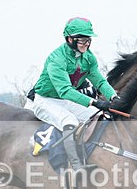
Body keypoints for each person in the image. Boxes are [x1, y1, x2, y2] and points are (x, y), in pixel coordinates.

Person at [29, 17, 119, 173]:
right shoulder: (56, 59)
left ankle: (95, 155)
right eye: (82, 41)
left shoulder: (89, 58)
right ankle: (75, 165)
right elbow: (65, 90)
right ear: (69, 39)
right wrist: (94, 102)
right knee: (69, 120)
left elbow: (100, 81)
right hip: (45, 100)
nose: (86, 44)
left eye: (88, 40)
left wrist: (113, 97)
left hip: (64, 100)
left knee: (98, 116)